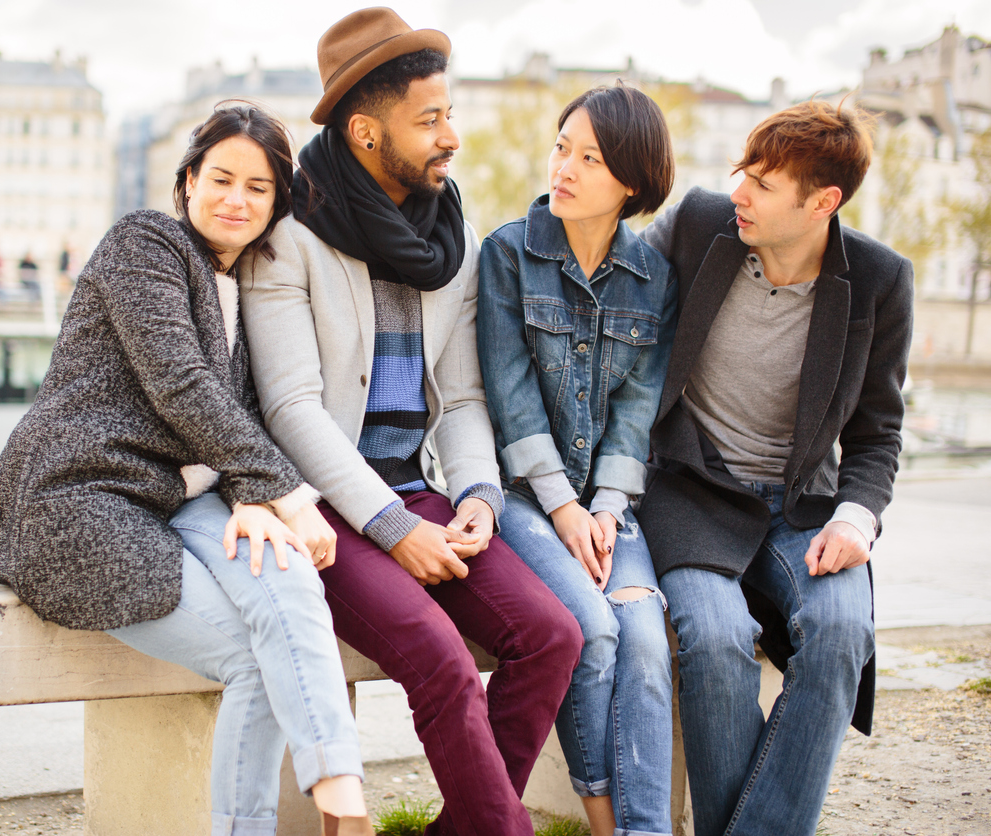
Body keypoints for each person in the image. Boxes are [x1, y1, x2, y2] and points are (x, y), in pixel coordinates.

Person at [0, 103, 371, 836]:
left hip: (178, 498)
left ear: (277, 203)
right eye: (221, 179)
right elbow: (180, 383)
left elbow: (241, 411)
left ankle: (343, 794)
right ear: (187, 181)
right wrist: (285, 496)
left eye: (258, 187)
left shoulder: (250, 286)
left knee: (288, 583)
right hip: (80, 499)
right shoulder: (144, 244)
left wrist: (251, 495)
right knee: (253, 653)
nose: (236, 200)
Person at [239, 9, 583, 835]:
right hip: (321, 511)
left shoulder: (450, 237)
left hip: (419, 494)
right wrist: (393, 528)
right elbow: (291, 411)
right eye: (429, 120)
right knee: (440, 660)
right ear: (366, 131)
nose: (451, 136)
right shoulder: (291, 239)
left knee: (551, 637)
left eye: (449, 113)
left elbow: (461, 398)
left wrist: (476, 498)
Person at [636, 100, 913, 836]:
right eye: (741, 172)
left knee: (843, 631)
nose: (739, 192)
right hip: (690, 492)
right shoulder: (698, 225)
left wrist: (858, 519)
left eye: (762, 182)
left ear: (823, 203)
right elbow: (611, 292)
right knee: (716, 636)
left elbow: (879, 433)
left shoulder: (881, 282)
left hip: (805, 511)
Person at [478, 84, 677, 836]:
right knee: (591, 631)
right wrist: (565, 508)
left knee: (648, 643)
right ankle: (607, 826)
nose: (563, 168)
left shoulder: (656, 280)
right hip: (521, 498)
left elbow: (637, 414)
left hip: (608, 509)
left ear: (631, 181)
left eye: (589, 158)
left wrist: (603, 509)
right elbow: (511, 399)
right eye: (563, 146)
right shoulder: (507, 254)